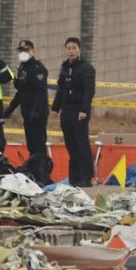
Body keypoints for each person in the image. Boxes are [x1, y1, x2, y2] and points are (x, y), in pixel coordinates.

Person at [51, 37, 96, 187]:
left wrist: (84, 109)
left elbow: (89, 91)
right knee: (70, 144)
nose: (71, 51)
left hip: (79, 111)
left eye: (74, 48)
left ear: (79, 49)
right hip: (67, 110)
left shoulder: (86, 68)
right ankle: (74, 177)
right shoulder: (65, 67)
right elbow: (61, 89)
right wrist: (55, 108)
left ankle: (86, 177)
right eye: (68, 48)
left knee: (81, 144)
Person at [6, 40, 49, 156]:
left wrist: (35, 111)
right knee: (31, 144)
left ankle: (41, 169)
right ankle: (34, 167)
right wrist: (10, 109)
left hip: (38, 113)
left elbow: (40, 93)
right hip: (27, 111)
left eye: (26, 50)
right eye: (21, 51)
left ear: (32, 52)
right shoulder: (22, 68)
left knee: (38, 144)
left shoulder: (37, 68)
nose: (23, 53)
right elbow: (21, 92)